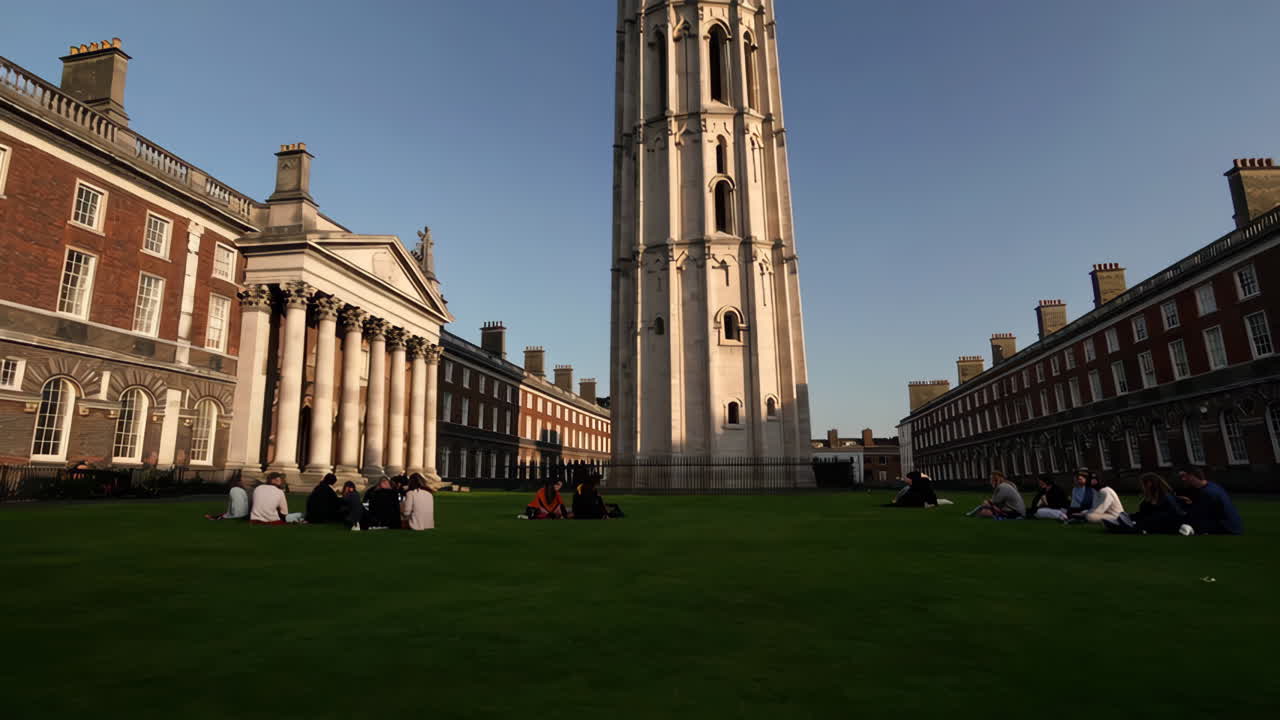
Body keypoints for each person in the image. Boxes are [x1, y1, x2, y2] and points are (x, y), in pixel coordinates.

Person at [1107, 473, 1183, 534]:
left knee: (1132, 526)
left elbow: (1174, 515)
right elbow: (1142, 514)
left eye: (1142, 485)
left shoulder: (1167, 498)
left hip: (1165, 525)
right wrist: (1127, 516)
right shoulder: (1147, 501)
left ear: (1149, 484)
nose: (1142, 488)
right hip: (1148, 524)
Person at [1178, 468, 1243, 535]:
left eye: (1186, 477)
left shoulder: (1208, 492)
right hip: (1233, 526)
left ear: (1192, 477)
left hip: (1227, 529)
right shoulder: (1212, 486)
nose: (1183, 479)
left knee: (1184, 526)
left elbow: (1198, 514)